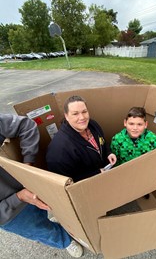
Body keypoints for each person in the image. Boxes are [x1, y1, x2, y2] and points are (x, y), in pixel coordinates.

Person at [0, 114, 83, 258]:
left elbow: (25, 124)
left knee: (55, 210)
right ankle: (65, 241)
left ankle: (61, 224)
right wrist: (19, 197)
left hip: (30, 184)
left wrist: (27, 167)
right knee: (43, 231)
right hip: (11, 213)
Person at [46, 95, 117, 182]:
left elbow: (103, 142)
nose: (82, 117)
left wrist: (108, 153)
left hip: (104, 176)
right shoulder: (60, 149)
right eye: (75, 114)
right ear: (66, 116)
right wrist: (97, 173)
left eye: (84, 112)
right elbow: (67, 182)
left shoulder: (92, 125)